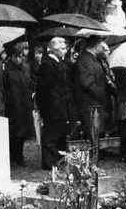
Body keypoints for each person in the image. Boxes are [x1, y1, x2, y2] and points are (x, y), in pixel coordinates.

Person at [36, 37, 75, 170]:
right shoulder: (47, 64)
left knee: (60, 133)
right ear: (55, 49)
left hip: (60, 105)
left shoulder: (59, 62)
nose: (65, 51)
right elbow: (43, 88)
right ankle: (49, 161)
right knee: (50, 134)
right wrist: (44, 107)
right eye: (63, 49)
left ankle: (58, 159)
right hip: (52, 105)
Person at [72, 36, 108, 139]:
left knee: (96, 134)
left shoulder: (93, 59)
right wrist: (101, 94)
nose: (102, 49)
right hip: (90, 104)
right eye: (101, 46)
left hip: (95, 103)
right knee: (91, 135)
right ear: (96, 46)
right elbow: (88, 83)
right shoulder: (85, 60)